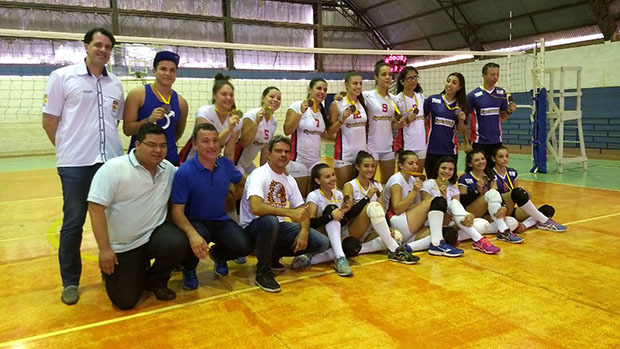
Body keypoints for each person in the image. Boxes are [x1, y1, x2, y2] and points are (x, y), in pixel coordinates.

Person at [42, 27, 125, 305]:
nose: (103, 50)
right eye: (98, 44)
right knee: (73, 222)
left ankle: (112, 272)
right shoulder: (62, 77)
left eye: (108, 46)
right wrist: (69, 150)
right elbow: (49, 122)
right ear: (86, 46)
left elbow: (115, 123)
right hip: (75, 164)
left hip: (110, 162)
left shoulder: (116, 84)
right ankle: (70, 281)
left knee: (114, 221)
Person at [88, 123, 190, 310]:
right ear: (137, 144)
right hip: (124, 245)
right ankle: (127, 270)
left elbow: (190, 176)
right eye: (152, 145)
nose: (158, 150)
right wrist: (104, 249)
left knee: (178, 242)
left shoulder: (167, 169)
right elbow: (95, 208)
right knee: (125, 301)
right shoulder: (113, 169)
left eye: (163, 145)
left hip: (153, 236)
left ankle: (156, 280)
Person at [239, 135, 330, 292]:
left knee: (321, 242)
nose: (283, 155)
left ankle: (273, 254)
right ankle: (263, 273)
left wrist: (304, 231)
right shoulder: (259, 175)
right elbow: (256, 207)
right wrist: (288, 212)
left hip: (277, 227)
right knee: (270, 221)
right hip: (253, 228)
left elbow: (303, 209)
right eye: (278, 151)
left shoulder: (289, 179)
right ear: (268, 153)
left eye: (287, 152)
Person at [171, 123, 252, 291]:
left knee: (243, 246)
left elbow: (244, 180)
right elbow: (177, 212)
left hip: (219, 219)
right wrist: (192, 235)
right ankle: (189, 268)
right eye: (206, 141)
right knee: (200, 237)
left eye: (215, 141)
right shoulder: (184, 172)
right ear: (195, 145)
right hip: (194, 221)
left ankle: (218, 254)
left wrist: (270, 176)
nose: (212, 145)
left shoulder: (225, 165)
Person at [299, 161, 418, 276]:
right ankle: (338, 256)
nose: (333, 179)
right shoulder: (314, 195)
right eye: (327, 177)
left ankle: (326, 257)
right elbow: (311, 223)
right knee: (332, 209)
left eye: (333, 175)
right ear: (317, 180)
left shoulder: (338, 194)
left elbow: (345, 219)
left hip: (343, 233)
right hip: (323, 237)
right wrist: (330, 216)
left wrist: (345, 212)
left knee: (397, 236)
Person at [383, 150, 460, 257]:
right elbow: (397, 209)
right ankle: (436, 245)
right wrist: (415, 191)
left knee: (448, 234)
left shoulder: (412, 180)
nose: (415, 166)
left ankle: (409, 247)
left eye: (416, 163)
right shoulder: (396, 180)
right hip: (395, 221)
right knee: (437, 201)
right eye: (411, 163)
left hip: (410, 223)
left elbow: (415, 206)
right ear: (401, 165)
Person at [421, 156, 501, 254]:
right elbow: (426, 207)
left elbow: (457, 209)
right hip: (432, 223)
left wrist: (469, 215)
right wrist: (443, 196)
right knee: (452, 203)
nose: (447, 171)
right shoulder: (428, 184)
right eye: (443, 168)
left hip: (450, 223)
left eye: (451, 169)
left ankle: (448, 239)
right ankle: (479, 240)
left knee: (482, 223)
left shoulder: (453, 189)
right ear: (437, 169)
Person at [123, 50, 189, 166]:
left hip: (169, 161)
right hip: (140, 161)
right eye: (163, 69)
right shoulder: (138, 95)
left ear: (176, 74)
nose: (167, 73)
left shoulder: (181, 103)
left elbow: (177, 133)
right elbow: (127, 130)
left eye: (172, 70)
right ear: (154, 71)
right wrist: (148, 120)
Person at [491, 146, 567, 232]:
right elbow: (494, 195)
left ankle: (524, 226)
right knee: (517, 192)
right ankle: (544, 221)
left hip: (512, 209)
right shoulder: (491, 174)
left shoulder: (512, 172)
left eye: (507, 156)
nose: (505, 159)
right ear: (493, 158)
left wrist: (525, 195)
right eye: (501, 157)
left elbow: (517, 193)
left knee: (548, 209)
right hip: (501, 208)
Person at [457, 149, 524, 244]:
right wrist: (477, 191)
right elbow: (462, 202)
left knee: (513, 222)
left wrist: (504, 206)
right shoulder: (465, 178)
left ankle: (488, 227)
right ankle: (503, 231)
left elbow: (497, 194)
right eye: (477, 160)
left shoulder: (490, 176)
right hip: (471, 211)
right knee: (491, 193)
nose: (481, 162)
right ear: (470, 164)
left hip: (487, 213)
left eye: (482, 159)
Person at [284, 78, 330, 197]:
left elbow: (326, 134)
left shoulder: (322, 112)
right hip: (298, 160)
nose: (322, 92)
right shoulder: (296, 106)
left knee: (311, 198)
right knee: (298, 198)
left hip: (315, 161)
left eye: (325, 89)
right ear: (309, 89)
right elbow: (287, 130)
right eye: (318, 88)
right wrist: (300, 113)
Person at [466, 62, 517, 168]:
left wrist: (509, 111)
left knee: (496, 172)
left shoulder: (501, 94)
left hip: (496, 141)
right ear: (484, 75)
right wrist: (466, 142)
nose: (495, 77)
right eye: (492, 74)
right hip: (479, 141)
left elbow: (502, 118)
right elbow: (465, 120)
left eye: (497, 74)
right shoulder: (473, 96)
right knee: (479, 171)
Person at [423, 72, 470, 179]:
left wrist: (461, 120)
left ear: (460, 87)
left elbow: (460, 130)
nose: (449, 84)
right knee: (432, 181)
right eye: (448, 81)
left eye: (454, 83)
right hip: (431, 148)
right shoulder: (432, 100)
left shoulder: (460, 105)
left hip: (450, 150)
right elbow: (421, 120)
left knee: (448, 181)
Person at [326, 71, 368, 189]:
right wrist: (342, 119)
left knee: (359, 190)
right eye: (355, 83)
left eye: (360, 83)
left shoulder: (363, 102)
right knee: (344, 190)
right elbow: (330, 132)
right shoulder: (337, 104)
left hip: (362, 154)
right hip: (344, 154)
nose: (358, 86)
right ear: (346, 85)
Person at [363, 61, 401, 184]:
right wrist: (340, 97)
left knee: (388, 183)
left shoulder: (393, 99)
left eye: (389, 75)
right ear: (376, 77)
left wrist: (400, 124)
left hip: (388, 146)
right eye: (384, 74)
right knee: (368, 182)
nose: (387, 77)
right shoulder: (366, 96)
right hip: (371, 146)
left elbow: (392, 123)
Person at [193, 73, 241, 161]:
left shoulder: (236, 119)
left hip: (214, 158)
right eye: (224, 94)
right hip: (196, 158)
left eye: (231, 95)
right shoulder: (204, 113)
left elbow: (229, 152)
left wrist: (229, 170)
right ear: (214, 95)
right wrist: (229, 129)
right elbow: (209, 144)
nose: (229, 98)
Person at [235, 86, 281, 175]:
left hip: (247, 164)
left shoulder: (273, 122)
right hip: (235, 162)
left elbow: (265, 148)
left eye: (279, 98)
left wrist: (263, 171)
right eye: (272, 96)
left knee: (262, 178)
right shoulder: (251, 115)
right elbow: (245, 143)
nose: (275, 100)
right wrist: (256, 123)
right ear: (263, 99)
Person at [393, 66, 427, 172]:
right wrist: (405, 120)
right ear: (402, 81)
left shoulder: (421, 97)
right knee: (404, 177)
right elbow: (395, 121)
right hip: (406, 144)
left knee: (418, 176)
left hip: (421, 143)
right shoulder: (397, 99)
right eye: (409, 78)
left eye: (415, 77)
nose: (413, 81)